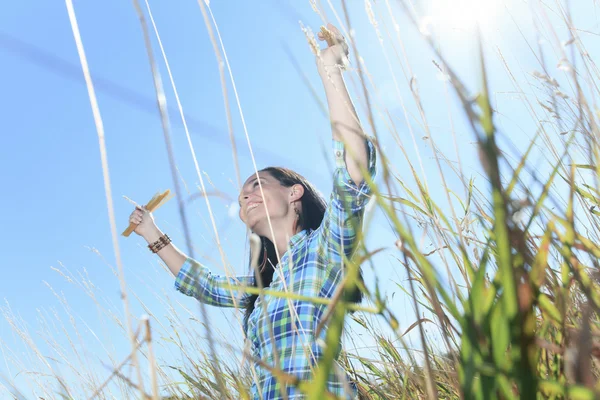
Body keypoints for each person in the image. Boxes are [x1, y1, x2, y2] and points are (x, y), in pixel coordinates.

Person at [128, 23, 376, 400]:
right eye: (242, 195)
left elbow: (354, 174)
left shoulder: (324, 250)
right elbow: (206, 284)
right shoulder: (260, 287)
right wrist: (150, 232)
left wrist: (330, 69)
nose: (245, 196)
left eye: (257, 185)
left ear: (295, 193)